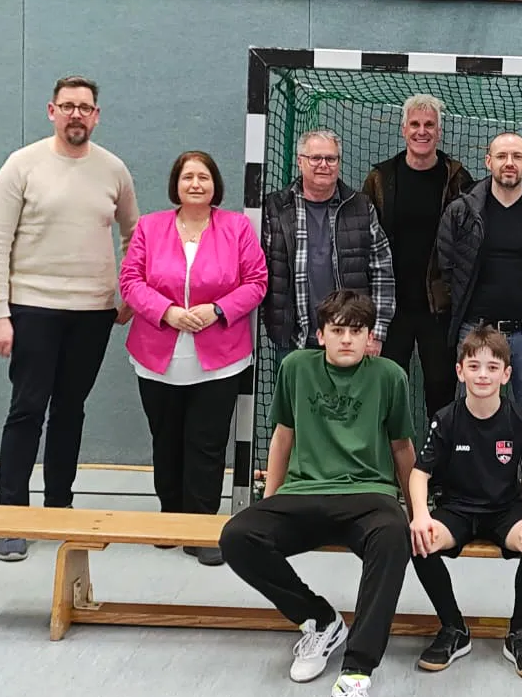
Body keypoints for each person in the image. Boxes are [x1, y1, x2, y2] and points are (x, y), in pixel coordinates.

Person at [217, 290, 414, 697]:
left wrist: (417, 512)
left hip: (369, 496)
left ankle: (355, 678)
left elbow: (402, 447)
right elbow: (283, 436)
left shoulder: (390, 376)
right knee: (237, 537)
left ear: (370, 338)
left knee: (393, 537)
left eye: (356, 331)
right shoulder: (295, 368)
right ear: (321, 335)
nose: (346, 339)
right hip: (304, 493)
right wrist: (269, 500)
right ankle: (321, 620)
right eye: (337, 330)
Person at [0, 75, 139, 563]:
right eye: (67, 106)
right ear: (52, 111)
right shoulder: (21, 165)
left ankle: (58, 506)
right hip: (33, 309)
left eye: (84, 107)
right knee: (27, 409)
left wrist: (129, 294)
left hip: (93, 313)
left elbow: (134, 235)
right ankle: (12, 516)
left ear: (96, 116)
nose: (76, 114)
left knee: (71, 410)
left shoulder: (113, 170)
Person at [119, 150, 267, 565]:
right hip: (156, 357)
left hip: (220, 359)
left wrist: (217, 309)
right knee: (165, 442)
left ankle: (201, 529)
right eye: (188, 177)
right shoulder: (150, 227)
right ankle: (171, 518)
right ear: (176, 185)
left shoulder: (237, 228)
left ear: (215, 184)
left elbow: (256, 282)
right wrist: (165, 311)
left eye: (204, 177)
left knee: (207, 445)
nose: (196, 184)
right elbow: (130, 280)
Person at [407, 326, 522, 679]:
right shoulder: (446, 418)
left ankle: (519, 634)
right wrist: (420, 515)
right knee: (418, 541)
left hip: (505, 510)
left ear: (506, 374)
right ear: (460, 372)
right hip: (457, 510)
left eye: (492, 367)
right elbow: (419, 473)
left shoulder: (520, 418)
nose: (483, 375)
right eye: (474, 366)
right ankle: (454, 628)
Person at [437, 132, 522, 477]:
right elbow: (446, 268)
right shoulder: (462, 211)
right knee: (469, 426)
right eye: (502, 156)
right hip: (476, 333)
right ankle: (467, 499)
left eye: (517, 157)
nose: (509, 163)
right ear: (488, 161)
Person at [363, 95, 474, 421]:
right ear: (403, 129)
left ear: (439, 131)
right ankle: (387, 454)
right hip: (391, 307)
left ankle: (439, 453)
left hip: (439, 308)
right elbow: (363, 240)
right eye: (415, 124)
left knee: (441, 390)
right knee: (387, 390)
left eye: (429, 125)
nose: (421, 131)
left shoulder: (457, 179)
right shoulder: (380, 178)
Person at [261, 128, 393, 354]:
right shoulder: (275, 208)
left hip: (351, 339)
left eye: (331, 158)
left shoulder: (361, 207)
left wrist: (377, 332)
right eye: (315, 158)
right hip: (295, 341)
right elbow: (259, 272)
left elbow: (383, 272)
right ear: (300, 162)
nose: (324, 164)